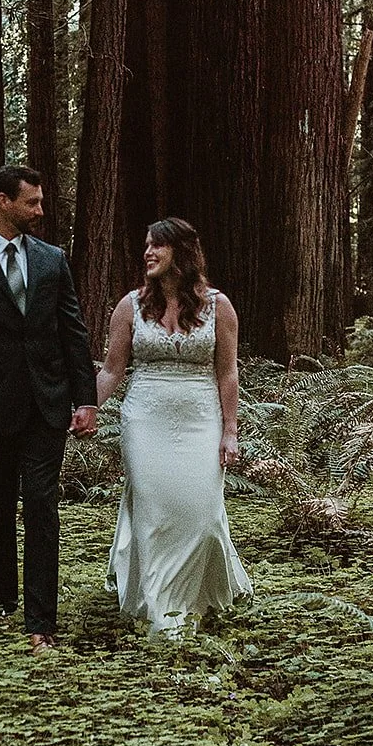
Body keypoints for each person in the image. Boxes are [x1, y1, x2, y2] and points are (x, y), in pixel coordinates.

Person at [0, 165, 98, 653]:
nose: (41, 211)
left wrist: (86, 398)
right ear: (4, 201)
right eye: (32, 203)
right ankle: (0, 600)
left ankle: (40, 622)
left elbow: (73, 332)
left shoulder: (52, 260)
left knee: (43, 507)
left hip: (47, 406)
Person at [96, 217, 252, 637]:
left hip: (201, 419)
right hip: (145, 420)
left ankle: (197, 595)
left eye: (156, 246)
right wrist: (86, 407)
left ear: (180, 251)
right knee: (153, 514)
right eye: (146, 246)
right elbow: (112, 371)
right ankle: (165, 611)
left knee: (201, 515)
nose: (147, 253)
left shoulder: (218, 306)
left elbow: (228, 374)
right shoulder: (130, 306)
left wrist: (230, 430)